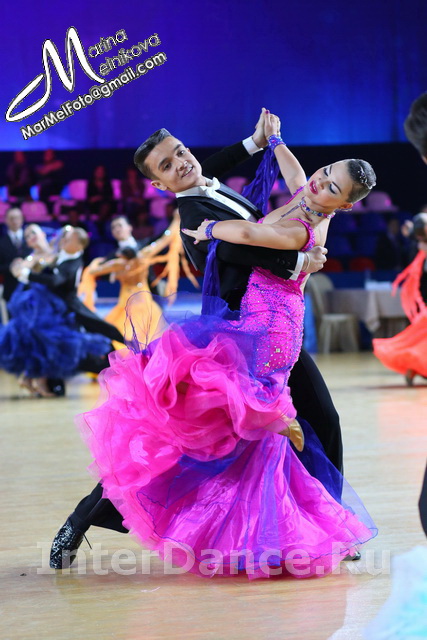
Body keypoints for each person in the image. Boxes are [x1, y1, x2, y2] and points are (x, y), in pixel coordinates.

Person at [50, 113, 377, 576]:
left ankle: (331, 526)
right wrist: (299, 261)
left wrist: (255, 142)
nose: (181, 163)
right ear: (160, 184)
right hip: (240, 335)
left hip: (275, 326)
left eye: (181, 152)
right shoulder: (193, 216)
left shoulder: (205, 183)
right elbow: (242, 247)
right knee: (187, 445)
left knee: (320, 418)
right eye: (167, 166)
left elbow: (207, 172)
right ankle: (84, 516)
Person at [0, 225, 111, 396]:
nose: (31, 237)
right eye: (27, 236)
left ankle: (32, 379)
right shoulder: (31, 257)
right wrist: (22, 268)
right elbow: (19, 272)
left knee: (49, 341)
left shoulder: (56, 250)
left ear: (42, 233)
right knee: (40, 340)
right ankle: (35, 379)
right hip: (39, 303)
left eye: (33, 232)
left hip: (54, 302)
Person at [373, 214, 427, 386]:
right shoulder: (420, 248)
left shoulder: (418, 247)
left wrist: (410, 235)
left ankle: (415, 370)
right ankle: (414, 369)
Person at [0, 207, 31, 302]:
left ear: (22, 219)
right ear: (6, 220)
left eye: (17, 217)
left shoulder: (31, 239)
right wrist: (11, 266)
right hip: (11, 290)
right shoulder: (1, 242)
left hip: (31, 289)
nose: (15, 221)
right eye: (11, 218)